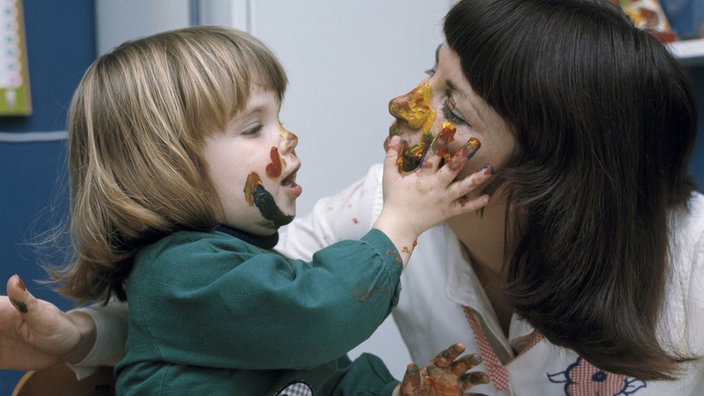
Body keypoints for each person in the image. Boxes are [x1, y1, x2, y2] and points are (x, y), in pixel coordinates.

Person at [2, 0, 703, 394]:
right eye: (429, 77)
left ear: (558, 165)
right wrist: (87, 336)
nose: (403, 106)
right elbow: (232, 310)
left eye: (452, 106)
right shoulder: (380, 209)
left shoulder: (692, 258)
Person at [3, 25, 497, 396]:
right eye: (252, 128)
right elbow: (319, 317)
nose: (288, 137)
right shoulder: (184, 270)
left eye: (278, 118)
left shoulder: (242, 269)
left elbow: (317, 376)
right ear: (170, 166)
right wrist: (399, 226)